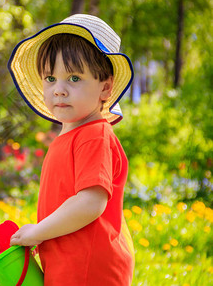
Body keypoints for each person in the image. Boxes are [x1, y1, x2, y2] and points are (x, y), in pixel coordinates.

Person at [8, 14, 135, 286]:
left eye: (74, 78)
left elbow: (91, 202)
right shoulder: (69, 137)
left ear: (106, 87)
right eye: (50, 78)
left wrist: (38, 232)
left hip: (90, 269)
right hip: (69, 264)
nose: (59, 90)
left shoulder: (94, 135)